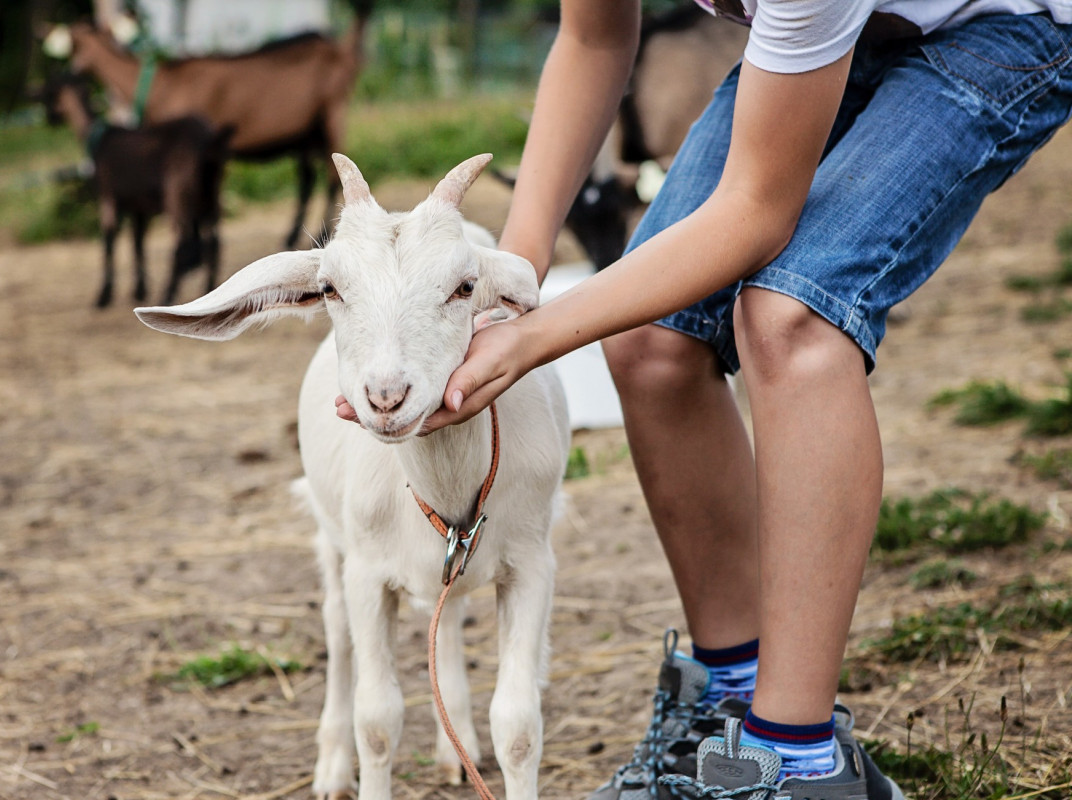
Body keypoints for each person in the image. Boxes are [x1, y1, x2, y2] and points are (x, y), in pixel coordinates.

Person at [341, 1, 1072, 798]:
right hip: (843, 28)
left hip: (1004, 23)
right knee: (649, 334)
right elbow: (592, 37)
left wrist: (532, 341)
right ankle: (728, 703)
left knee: (792, 316)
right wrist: (505, 286)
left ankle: (796, 763)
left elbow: (758, 210)